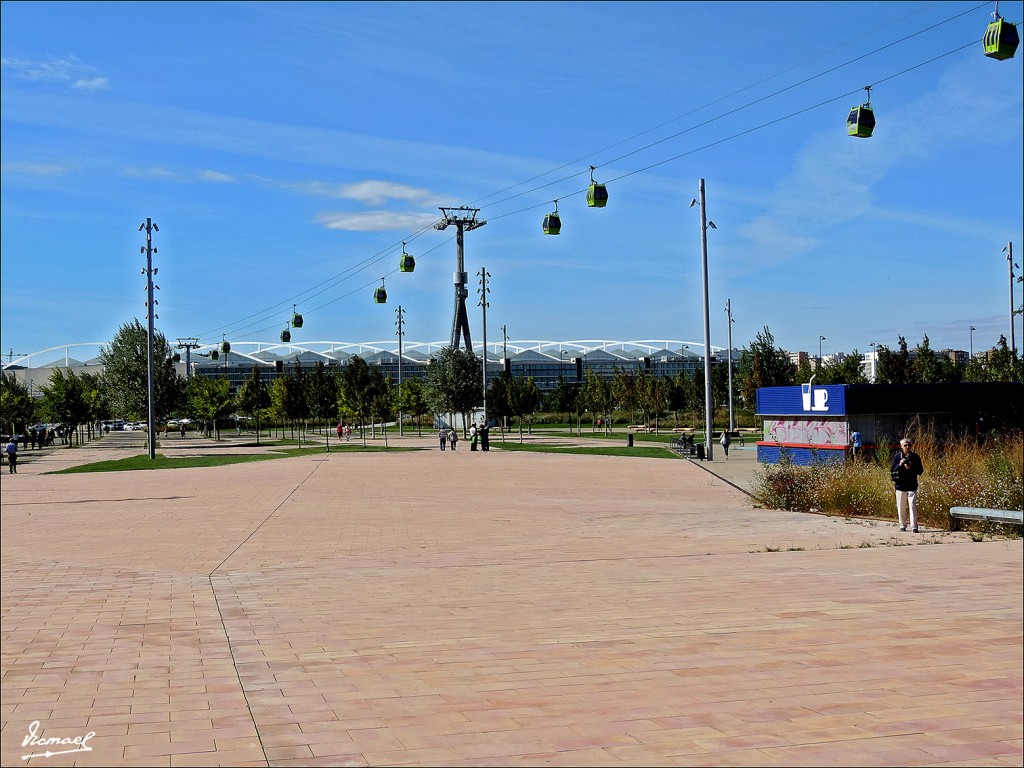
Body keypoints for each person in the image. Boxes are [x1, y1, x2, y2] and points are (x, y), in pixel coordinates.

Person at [891, 437, 924, 533]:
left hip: (912, 485)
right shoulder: (897, 457)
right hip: (900, 485)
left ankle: (914, 526)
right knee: (901, 506)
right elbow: (892, 470)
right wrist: (900, 464)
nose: (907, 447)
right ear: (901, 446)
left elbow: (920, 471)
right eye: (905, 445)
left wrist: (912, 466)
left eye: (909, 445)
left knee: (912, 506)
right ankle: (902, 525)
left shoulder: (915, 457)